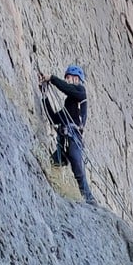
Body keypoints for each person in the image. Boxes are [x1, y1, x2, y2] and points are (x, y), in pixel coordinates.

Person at [39, 64, 95, 203]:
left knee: (76, 161)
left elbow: (67, 88)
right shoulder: (68, 107)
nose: (67, 80)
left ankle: (89, 197)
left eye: (69, 78)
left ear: (77, 79)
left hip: (74, 137)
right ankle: (57, 188)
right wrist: (45, 95)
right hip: (65, 140)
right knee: (53, 162)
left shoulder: (81, 92)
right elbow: (53, 118)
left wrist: (51, 78)